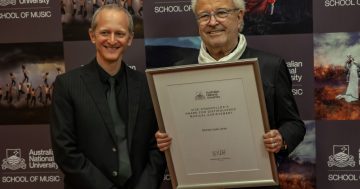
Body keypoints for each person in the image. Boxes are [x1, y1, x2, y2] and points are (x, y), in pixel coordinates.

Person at [155, 0, 305, 188]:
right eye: (204, 16)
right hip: (199, 182)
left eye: (221, 13)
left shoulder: (270, 67)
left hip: (254, 182)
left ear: (239, 16)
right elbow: (175, 129)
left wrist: (281, 138)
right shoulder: (179, 71)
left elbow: (294, 124)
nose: (212, 22)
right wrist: (166, 137)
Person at [50, 4, 166, 189]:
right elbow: (66, 152)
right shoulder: (67, 85)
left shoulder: (146, 85)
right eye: (105, 32)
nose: (112, 40)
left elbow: (157, 147)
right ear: (92, 35)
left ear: (130, 38)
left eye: (119, 33)